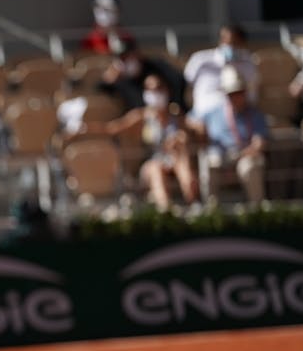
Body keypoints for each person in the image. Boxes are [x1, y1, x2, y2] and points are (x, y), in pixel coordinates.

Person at [76, 73, 198, 211]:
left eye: (159, 89)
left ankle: (194, 205)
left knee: (182, 162)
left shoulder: (176, 115)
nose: (155, 93)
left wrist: (182, 137)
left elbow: (194, 130)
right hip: (151, 164)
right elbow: (112, 128)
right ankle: (166, 209)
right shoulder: (141, 116)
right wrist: (84, 129)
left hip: (175, 160)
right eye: (150, 90)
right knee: (156, 168)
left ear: (166, 90)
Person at [188, 64, 268, 204]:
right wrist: (198, 127)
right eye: (232, 93)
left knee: (250, 167)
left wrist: (238, 157)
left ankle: (258, 208)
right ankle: (211, 209)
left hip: (244, 156)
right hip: (219, 157)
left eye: (239, 92)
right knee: (210, 162)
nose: (236, 97)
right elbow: (188, 120)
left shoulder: (256, 115)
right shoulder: (213, 112)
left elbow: (259, 144)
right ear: (226, 94)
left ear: (245, 91)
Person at [183, 23, 258, 120]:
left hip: (236, 117)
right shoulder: (200, 59)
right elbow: (186, 86)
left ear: (242, 44)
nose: (230, 46)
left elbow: (251, 95)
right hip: (203, 115)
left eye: (235, 43)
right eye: (225, 41)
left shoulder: (248, 64)